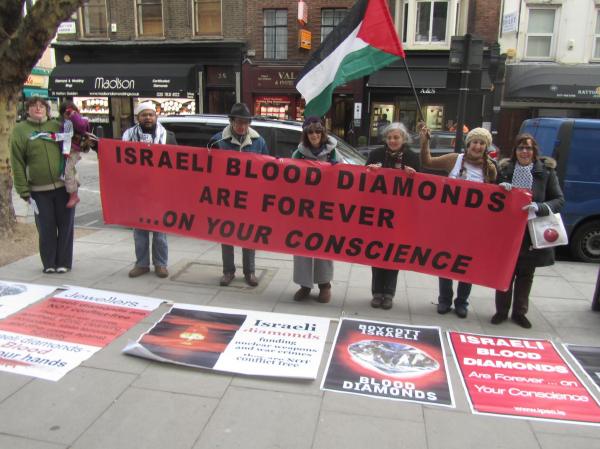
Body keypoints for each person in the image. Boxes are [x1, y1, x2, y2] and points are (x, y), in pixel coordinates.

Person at [420, 125, 497, 318]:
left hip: (473, 226)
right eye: (474, 142)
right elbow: (427, 161)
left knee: (466, 264)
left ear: (485, 147)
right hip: (449, 224)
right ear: (468, 144)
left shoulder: (490, 169)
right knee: (444, 260)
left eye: (481, 143)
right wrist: (424, 142)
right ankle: (444, 299)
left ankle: (462, 301)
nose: (477, 146)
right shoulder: (454, 159)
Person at [492, 134, 564, 329]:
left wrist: (538, 207)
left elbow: (558, 200)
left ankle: (519, 312)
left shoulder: (546, 173)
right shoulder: (505, 170)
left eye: (529, 148)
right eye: (521, 148)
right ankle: (501, 311)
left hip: (530, 233)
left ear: (534, 152)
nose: (525, 151)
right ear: (515, 151)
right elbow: (491, 196)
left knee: (525, 275)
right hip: (508, 231)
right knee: (505, 272)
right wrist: (499, 188)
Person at [10, 96, 75, 274]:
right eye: (33, 106)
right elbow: (17, 162)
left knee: (66, 226)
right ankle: (49, 263)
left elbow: (72, 147)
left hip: (64, 187)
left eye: (42, 106)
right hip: (39, 191)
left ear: (47, 109)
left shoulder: (57, 126)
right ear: (27, 109)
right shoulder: (20, 131)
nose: (38, 108)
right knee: (46, 228)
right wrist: (23, 189)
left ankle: (63, 262)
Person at [209, 102, 269, 287]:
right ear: (231, 121)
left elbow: (267, 169)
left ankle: (250, 272)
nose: (242, 126)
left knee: (248, 235)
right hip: (225, 198)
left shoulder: (259, 141)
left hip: (250, 198)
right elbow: (207, 169)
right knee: (226, 234)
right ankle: (228, 271)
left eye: (245, 122)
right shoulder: (218, 140)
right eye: (238, 122)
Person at [366, 122, 420, 310]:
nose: (392, 140)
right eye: (389, 137)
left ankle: (388, 293)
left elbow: (421, 188)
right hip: (378, 214)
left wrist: (414, 176)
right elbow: (363, 182)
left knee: (393, 254)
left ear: (403, 139)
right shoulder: (375, 155)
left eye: (396, 137)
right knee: (376, 252)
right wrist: (371, 171)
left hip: (400, 215)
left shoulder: (412, 158)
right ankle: (376, 292)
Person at [122, 101, 177, 279]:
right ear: (138, 118)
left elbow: (177, 164)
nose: (148, 118)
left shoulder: (168, 136)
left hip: (160, 192)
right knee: (140, 232)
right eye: (144, 115)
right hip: (137, 191)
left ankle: (161, 264)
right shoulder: (127, 136)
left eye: (151, 115)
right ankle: (142, 264)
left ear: (156, 116)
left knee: (160, 232)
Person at [291, 116, 339, 303]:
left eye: (317, 131)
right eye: (310, 132)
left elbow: (344, 177)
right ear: (305, 134)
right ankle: (304, 285)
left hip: (326, 209)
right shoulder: (298, 154)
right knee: (302, 246)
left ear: (323, 133)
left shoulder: (333, 153)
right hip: (304, 208)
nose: (314, 135)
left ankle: (324, 285)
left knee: (324, 246)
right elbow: (289, 178)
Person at [58, 100, 96, 208]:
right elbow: (62, 137)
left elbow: (82, 127)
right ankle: (76, 182)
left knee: (67, 171)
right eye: (66, 113)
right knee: (66, 170)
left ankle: (73, 194)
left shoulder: (81, 121)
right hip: (67, 150)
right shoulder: (64, 124)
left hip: (74, 150)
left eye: (70, 111)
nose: (68, 114)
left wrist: (73, 116)